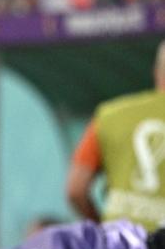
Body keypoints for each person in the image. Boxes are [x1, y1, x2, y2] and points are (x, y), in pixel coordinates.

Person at [67, 39, 165, 232]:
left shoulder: (109, 115)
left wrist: (100, 225)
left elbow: (75, 189)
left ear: (157, 72)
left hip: (120, 243)